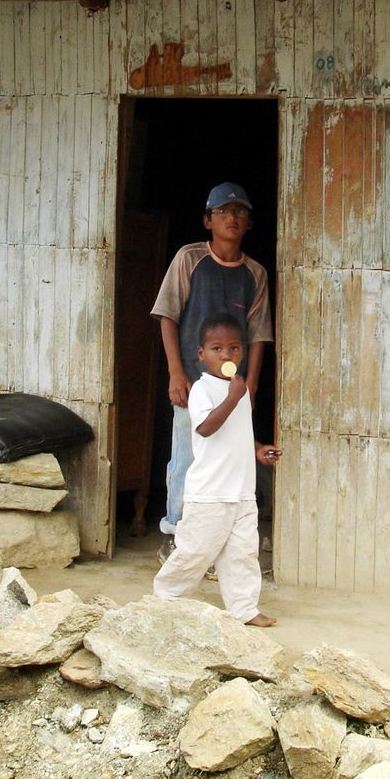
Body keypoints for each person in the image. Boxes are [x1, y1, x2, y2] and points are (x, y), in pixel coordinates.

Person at [142, 182, 273, 546]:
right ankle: (176, 533)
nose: (232, 218)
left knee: (229, 458)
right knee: (187, 457)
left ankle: (216, 540)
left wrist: (252, 384)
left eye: (240, 212)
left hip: (233, 384)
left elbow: (258, 333)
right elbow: (167, 315)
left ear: (249, 223)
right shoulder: (189, 258)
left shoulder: (255, 274)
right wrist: (175, 372)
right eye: (223, 212)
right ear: (207, 220)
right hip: (191, 379)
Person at [152, 312, 280, 627]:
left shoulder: (239, 391)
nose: (226, 355)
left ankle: (244, 609)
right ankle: (166, 597)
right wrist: (234, 397)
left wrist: (259, 450)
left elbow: (236, 435)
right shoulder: (202, 390)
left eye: (234, 348)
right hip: (209, 493)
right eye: (217, 348)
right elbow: (207, 428)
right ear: (202, 354)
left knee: (242, 554)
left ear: (243, 352)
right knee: (195, 551)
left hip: (241, 492)